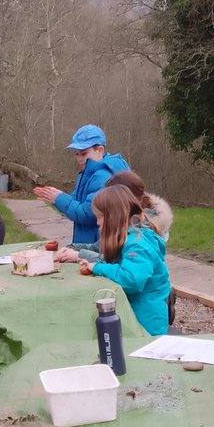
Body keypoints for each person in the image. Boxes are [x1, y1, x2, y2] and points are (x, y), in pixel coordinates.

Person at [76, 185, 170, 335]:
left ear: (113, 217)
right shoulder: (129, 240)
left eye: (100, 217)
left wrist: (98, 268)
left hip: (146, 325)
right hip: (136, 316)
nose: (98, 223)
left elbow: (131, 280)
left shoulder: (138, 245)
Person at [33, 125, 129, 245]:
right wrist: (55, 197)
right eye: (76, 154)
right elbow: (75, 201)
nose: (79, 158)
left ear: (100, 151)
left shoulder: (103, 177)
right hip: (86, 243)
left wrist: (59, 198)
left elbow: (87, 214)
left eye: (83, 154)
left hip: (97, 247)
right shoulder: (87, 172)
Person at [55, 170, 174, 263]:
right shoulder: (124, 224)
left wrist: (80, 256)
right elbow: (99, 248)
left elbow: (119, 265)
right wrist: (72, 248)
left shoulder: (141, 233)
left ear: (121, 203)